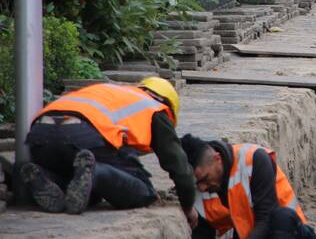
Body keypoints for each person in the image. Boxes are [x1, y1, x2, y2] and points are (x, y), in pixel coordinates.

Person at [19, 77, 197, 223]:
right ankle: (95, 172)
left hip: (40, 134)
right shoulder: (155, 108)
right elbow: (178, 166)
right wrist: (188, 206)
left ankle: (46, 176)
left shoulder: (113, 92)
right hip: (83, 134)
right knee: (142, 191)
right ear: (169, 106)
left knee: (82, 183)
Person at [181, 135, 316, 239]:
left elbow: (266, 218)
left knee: (280, 217)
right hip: (252, 234)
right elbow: (202, 232)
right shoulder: (199, 188)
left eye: (205, 178)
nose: (202, 188)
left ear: (218, 158)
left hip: (290, 231)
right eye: (197, 183)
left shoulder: (254, 160)